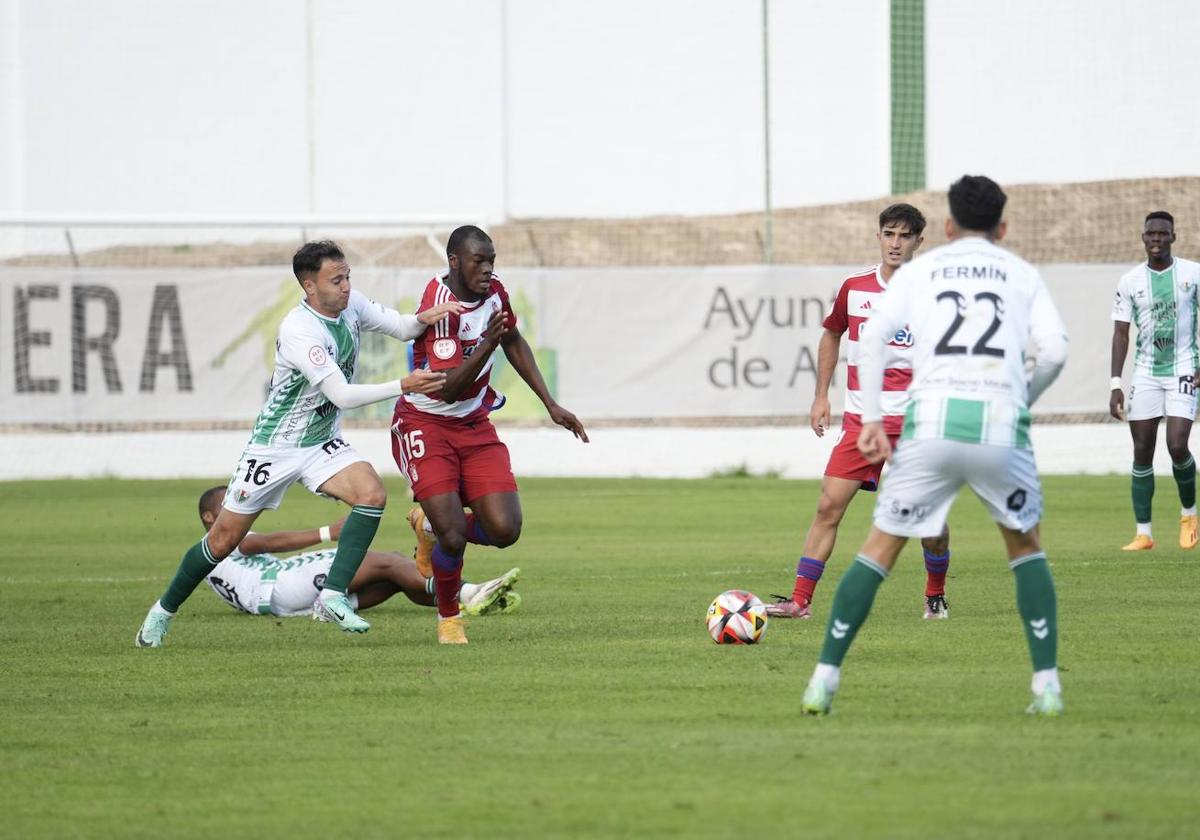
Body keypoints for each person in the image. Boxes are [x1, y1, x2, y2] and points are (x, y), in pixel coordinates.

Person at [800, 175, 1069, 716]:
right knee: (1025, 547)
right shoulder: (1021, 273)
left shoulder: (922, 273)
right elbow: (1056, 352)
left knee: (879, 546)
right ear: (1004, 226)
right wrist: (1023, 399)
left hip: (931, 422)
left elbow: (870, 339)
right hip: (998, 423)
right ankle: (1046, 686)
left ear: (944, 228)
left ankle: (824, 680)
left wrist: (871, 414)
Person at [136, 240, 460, 647]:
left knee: (372, 494)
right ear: (309, 286)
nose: (345, 286)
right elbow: (340, 395)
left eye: (347, 277)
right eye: (336, 280)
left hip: (320, 441)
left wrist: (425, 318)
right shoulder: (299, 330)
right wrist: (402, 385)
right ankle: (161, 613)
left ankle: (332, 596)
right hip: (275, 448)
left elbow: (401, 326)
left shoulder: (351, 304)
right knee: (222, 541)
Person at [391, 225, 588, 644]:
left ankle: (428, 526)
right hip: (425, 423)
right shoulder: (440, 305)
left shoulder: (495, 291)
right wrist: (486, 343)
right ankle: (448, 620)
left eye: (492, 260)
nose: (487, 268)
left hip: (473, 423)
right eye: (478, 261)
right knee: (455, 536)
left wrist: (550, 404)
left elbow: (512, 340)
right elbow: (448, 388)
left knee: (504, 529)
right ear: (454, 262)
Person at [766, 204, 953, 621]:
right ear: (878, 237)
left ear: (920, 242)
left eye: (905, 236)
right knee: (828, 507)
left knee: (928, 522)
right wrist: (820, 396)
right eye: (889, 234)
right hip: (860, 422)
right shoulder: (855, 287)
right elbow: (832, 333)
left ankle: (935, 594)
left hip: (916, 424)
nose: (896, 243)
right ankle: (800, 601)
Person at [194, 487, 521, 619]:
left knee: (393, 575)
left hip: (278, 596)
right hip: (280, 583)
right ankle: (468, 591)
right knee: (389, 561)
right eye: (229, 502)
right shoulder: (217, 539)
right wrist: (328, 533)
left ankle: (461, 599)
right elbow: (255, 544)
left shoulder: (208, 557)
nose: (239, 505)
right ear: (210, 517)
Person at [1109, 211, 1200, 551]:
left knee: (1177, 445)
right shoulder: (1130, 280)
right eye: (1151, 234)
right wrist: (1115, 382)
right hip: (1146, 373)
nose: (1157, 239)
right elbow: (1121, 333)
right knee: (1142, 450)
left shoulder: (1193, 273)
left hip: (1184, 369)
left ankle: (1189, 514)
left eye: (1163, 234)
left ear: (1173, 237)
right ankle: (1143, 533)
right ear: (1143, 238)